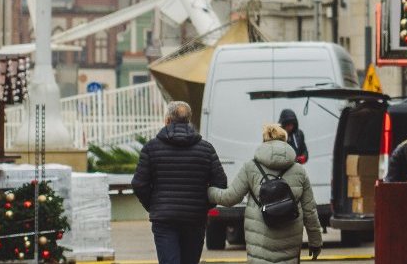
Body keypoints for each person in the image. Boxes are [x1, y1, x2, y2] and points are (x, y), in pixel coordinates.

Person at [209, 123, 324, 263]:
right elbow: (310, 211)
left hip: (259, 244)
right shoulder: (299, 171)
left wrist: (208, 191)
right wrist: (315, 242)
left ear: (264, 141)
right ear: (285, 141)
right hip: (289, 244)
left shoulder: (250, 168)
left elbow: (229, 198)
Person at [133, 101, 227, 264]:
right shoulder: (206, 149)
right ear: (188, 120)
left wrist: (155, 205)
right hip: (195, 218)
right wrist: (203, 205)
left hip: (164, 220)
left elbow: (139, 183)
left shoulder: (151, 148)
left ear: (168, 120)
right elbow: (220, 184)